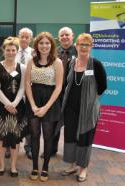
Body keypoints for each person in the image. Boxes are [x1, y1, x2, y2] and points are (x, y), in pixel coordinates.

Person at [61, 33, 107, 182]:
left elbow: (102, 86)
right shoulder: (71, 63)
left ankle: (83, 169)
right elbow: (67, 84)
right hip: (70, 109)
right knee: (70, 137)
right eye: (81, 44)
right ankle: (73, 164)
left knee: (84, 138)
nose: (83, 47)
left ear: (91, 47)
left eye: (87, 44)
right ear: (76, 46)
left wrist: (91, 101)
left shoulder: (96, 64)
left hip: (87, 110)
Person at [25, 32, 63, 181]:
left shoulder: (57, 62)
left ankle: (45, 167)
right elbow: (27, 83)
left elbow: (59, 87)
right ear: (37, 45)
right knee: (34, 136)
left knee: (48, 137)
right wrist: (33, 105)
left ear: (51, 45)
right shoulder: (30, 61)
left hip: (50, 102)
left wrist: (46, 107)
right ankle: (35, 166)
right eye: (41, 43)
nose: (44, 46)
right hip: (33, 100)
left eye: (47, 43)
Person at [0, 37, 27, 177]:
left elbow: (23, 88)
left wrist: (14, 104)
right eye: (8, 50)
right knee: (0, 137)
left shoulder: (22, 67)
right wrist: (7, 104)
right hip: (0, 106)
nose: (10, 52)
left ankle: (13, 166)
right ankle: (1, 165)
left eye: (13, 50)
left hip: (17, 107)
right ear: (3, 51)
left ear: (17, 51)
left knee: (15, 138)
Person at [42, 27, 77, 158]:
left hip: (72, 95)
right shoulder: (54, 52)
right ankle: (51, 149)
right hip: (56, 94)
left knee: (70, 125)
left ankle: (70, 154)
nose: (64, 37)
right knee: (53, 123)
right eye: (61, 35)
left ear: (72, 35)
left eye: (67, 35)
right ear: (58, 37)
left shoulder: (79, 51)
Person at [16, 27, 33, 159]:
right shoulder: (12, 50)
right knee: (13, 119)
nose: (24, 39)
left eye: (27, 37)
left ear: (30, 39)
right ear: (18, 37)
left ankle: (29, 147)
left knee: (29, 120)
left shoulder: (34, 53)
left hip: (29, 91)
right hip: (13, 90)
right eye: (22, 36)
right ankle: (11, 146)